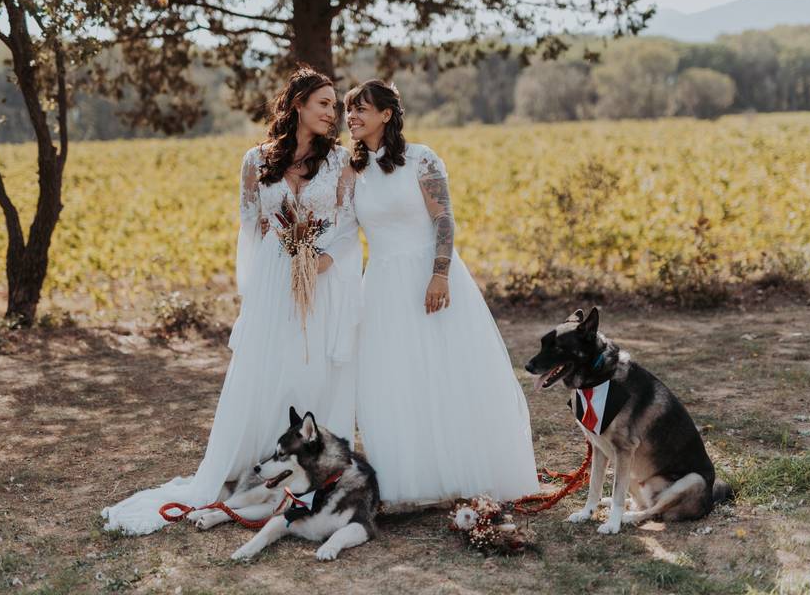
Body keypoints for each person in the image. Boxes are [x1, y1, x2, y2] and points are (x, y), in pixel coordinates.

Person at [101, 68, 361, 534]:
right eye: (323, 103)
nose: (332, 112)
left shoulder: (340, 161)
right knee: (268, 368)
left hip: (322, 278)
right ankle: (259, 460)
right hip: (272, 278)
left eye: (335, 105)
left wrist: (321, 261)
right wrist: (259, 285)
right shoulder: (255, 160)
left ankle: (310, 468)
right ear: (298, 104)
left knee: (312, 367)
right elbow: (251, 226)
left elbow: (347, 224)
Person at [346, 79, 540, 506]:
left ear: (386, 114)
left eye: (360, 108)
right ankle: (412, 482)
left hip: (429, 276)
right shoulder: (353, 169)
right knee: (396, 378)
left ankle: (467, 470)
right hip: (380, 282)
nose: (351, 116)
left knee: (448, 372)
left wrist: (440, 274)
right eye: (348, 109)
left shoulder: (421, 158)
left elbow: (443, 220)